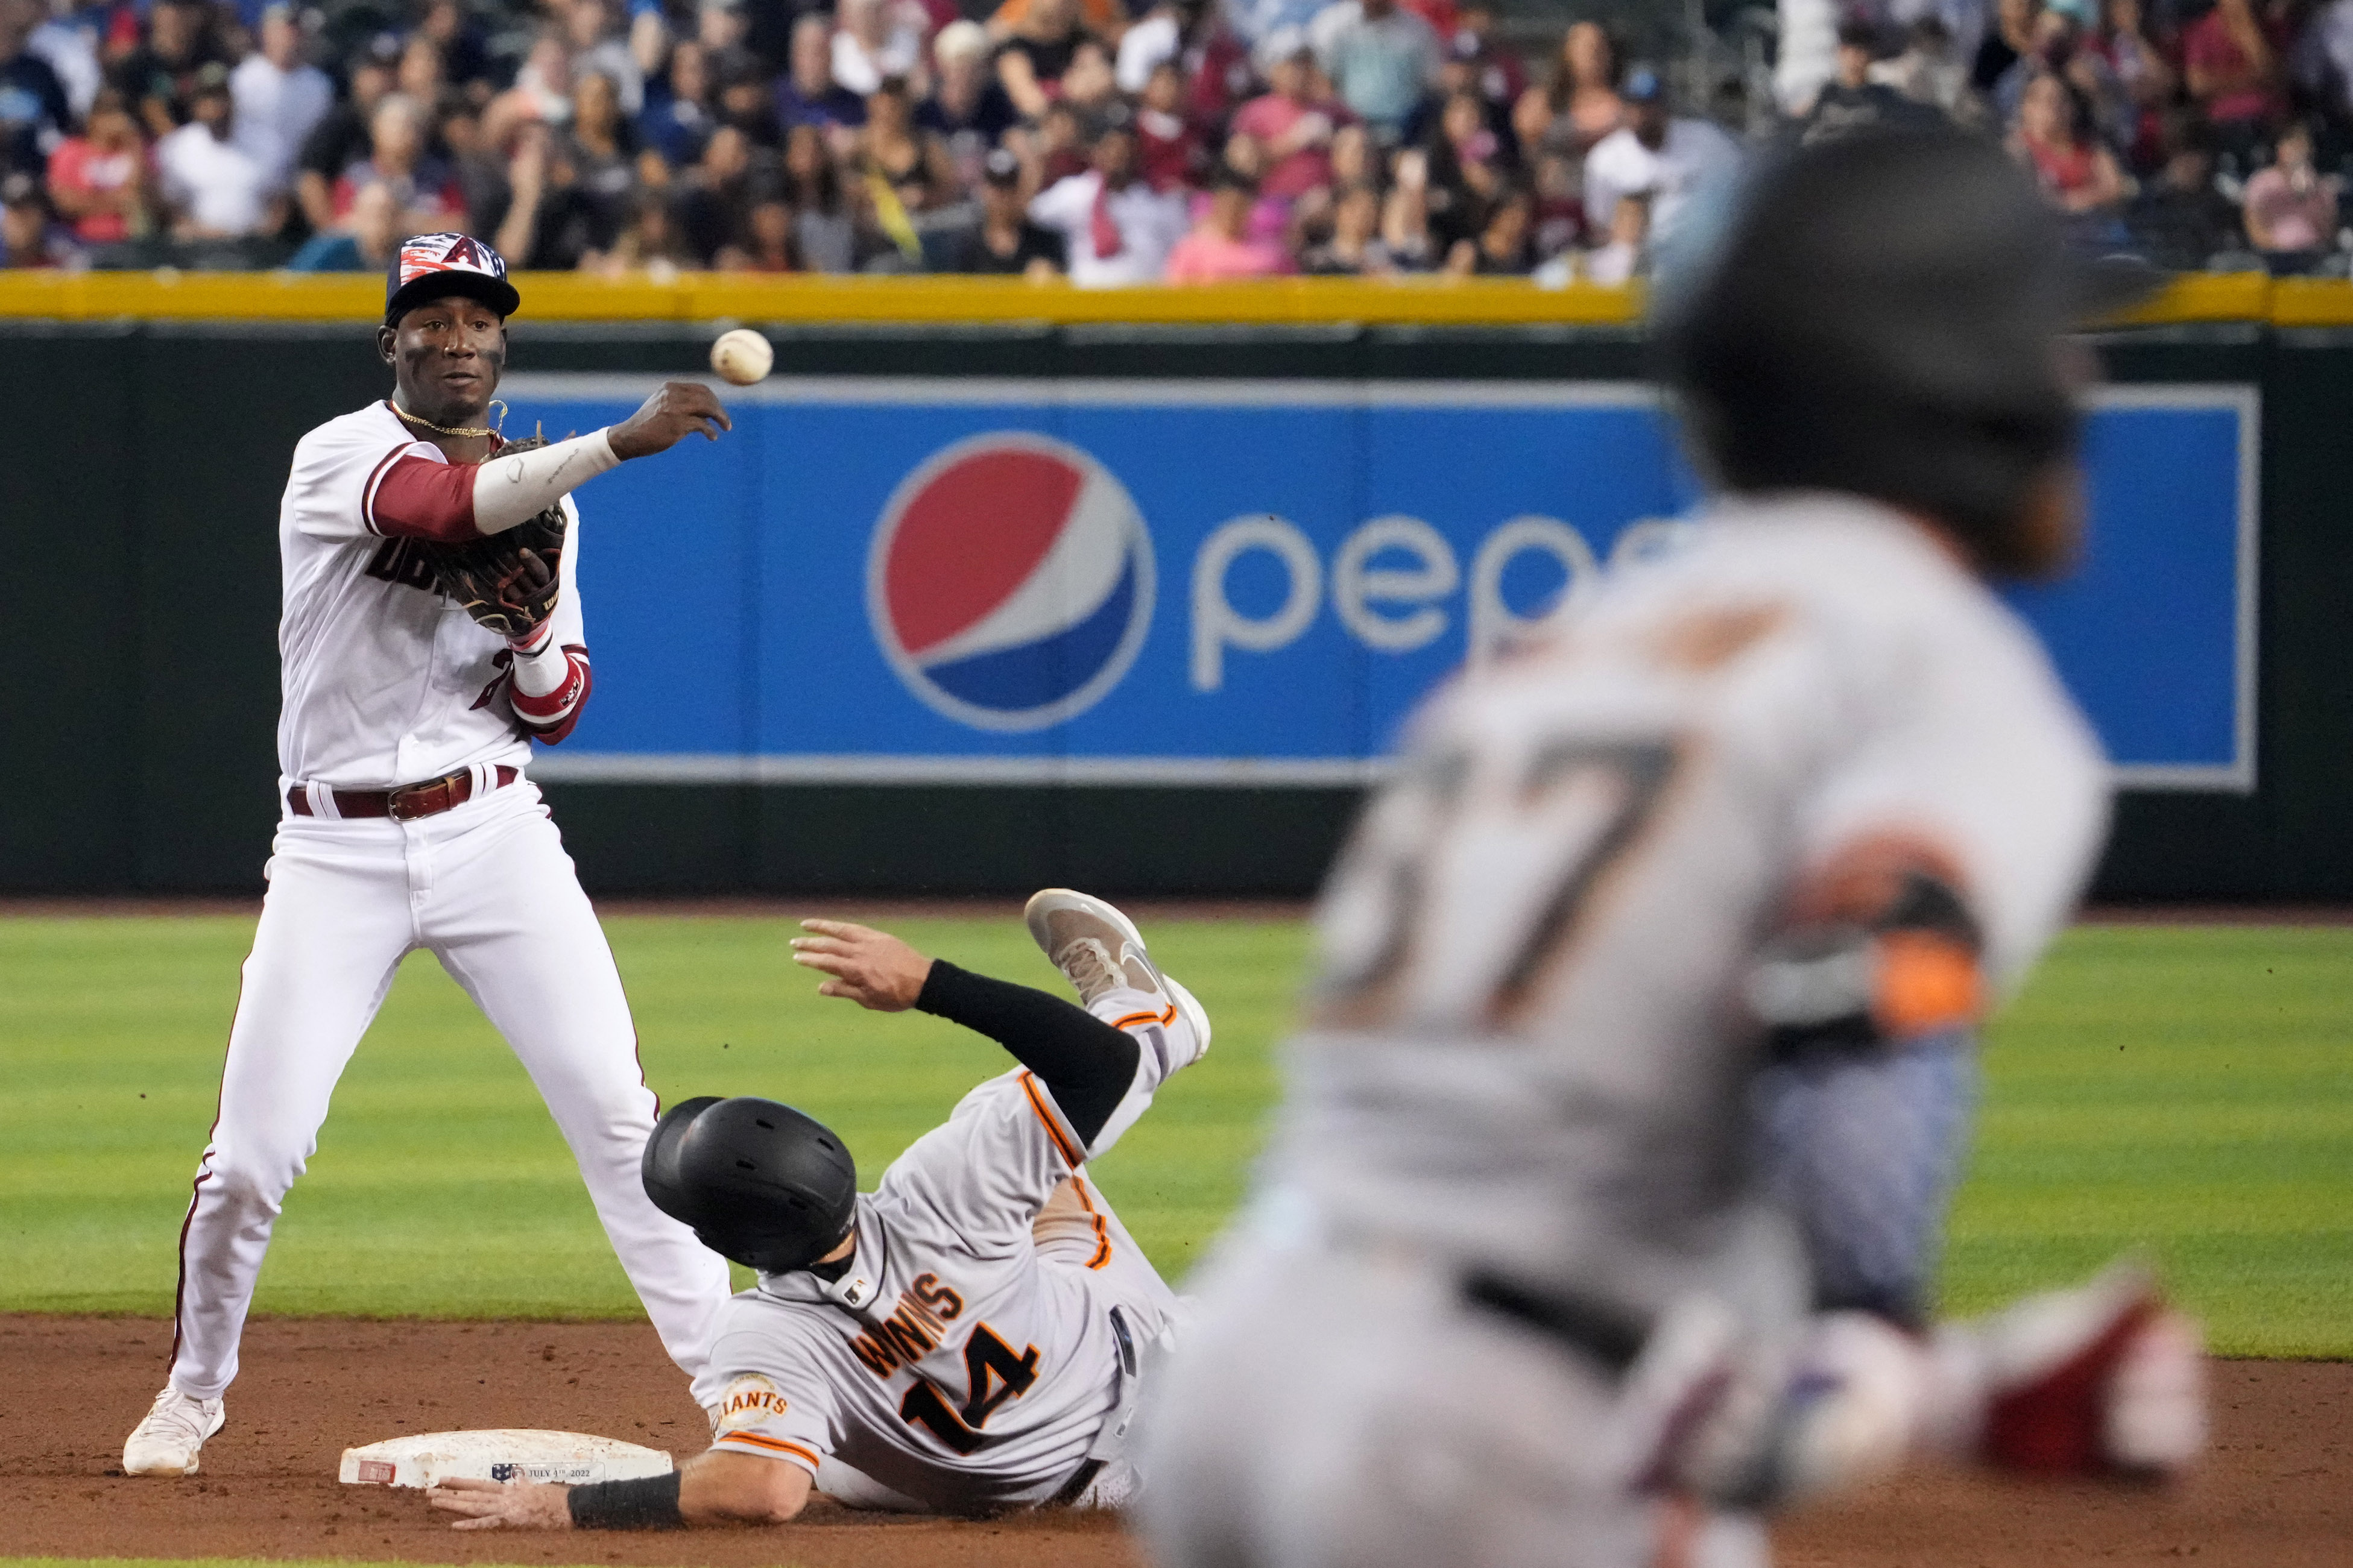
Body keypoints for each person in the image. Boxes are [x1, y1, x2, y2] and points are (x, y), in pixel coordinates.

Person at [1137, 128, 2206, 1568]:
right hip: (1498, 1434)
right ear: (1953, 382)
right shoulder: (1925, 654)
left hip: (1241, 1361)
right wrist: (1875, 1330)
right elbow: (1849, 979)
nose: (2075, 381)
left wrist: (1938, 1391)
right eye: (2046, 341)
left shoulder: (1575, 640)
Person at [119, 234, 741, 1480]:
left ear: (503, 344)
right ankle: (192, 1392)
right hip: (331, 850)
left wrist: (522, 632)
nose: (454, 335)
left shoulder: (547, 499)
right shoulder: (339, 455)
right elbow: (445, 508)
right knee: (251, 1155)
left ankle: (742, 1390)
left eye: (476, 318)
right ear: (389, 343)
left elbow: (558, 703)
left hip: (492, 832)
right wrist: (620, 442)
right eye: (430, 318)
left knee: (622, 1120)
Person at [423, 890, 1211, 1528]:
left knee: (800, 1443)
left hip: (1050, 1495)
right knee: (1042, 1138)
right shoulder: (944, 1186)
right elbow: (1099, 1068)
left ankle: (790, 1421)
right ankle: (1152, 1013)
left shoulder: (764, 1336)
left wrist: (563, 1505)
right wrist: (930, 982)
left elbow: (759, 1491)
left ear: (727, 1240)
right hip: (1164, 1377)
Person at [1580, 65, 1740, 266]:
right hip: (1633, 257)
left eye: (1651, 106)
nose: (1644, 114)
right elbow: (1600, 220)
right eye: (1636, 106)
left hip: (1700, 254)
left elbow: (1739, 193)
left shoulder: (1707, 141)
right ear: (1624, 108)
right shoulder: (1605, 158)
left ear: (1664, 106)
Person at [1028, 105, 1191, 283]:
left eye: (1125, 148)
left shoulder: (1159, 199)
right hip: (1089, 302)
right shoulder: (1077, 192)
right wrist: (1042, 159)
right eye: (1111, 148)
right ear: (1096, 151)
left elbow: (1181, 249)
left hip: (1146, 301)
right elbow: (1029, 213)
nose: (1119, 156)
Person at [154, 65, 282, 240]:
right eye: (208, 98)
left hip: (252, 247)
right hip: (197, 247)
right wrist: (192, 228)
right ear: (196, 104)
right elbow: (169, 204)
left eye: (221, 97)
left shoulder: (266, 142)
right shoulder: (178, 147)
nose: (215, 106)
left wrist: (265, 234)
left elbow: (281, 198)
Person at [1233, 30, 1351, 202]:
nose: (1299, 71)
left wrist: (1336, 143)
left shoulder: (1335, 110)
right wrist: (1295, 140)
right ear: (1273, 70)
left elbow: (1357, 157)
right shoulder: (1254, 113)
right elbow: (1244, 166)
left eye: (1305, 63)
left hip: (1326, 204)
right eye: (1291, 64)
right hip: (1272, 205)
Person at [230, 5, 332, 189]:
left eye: (295, 32)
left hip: (302, 181)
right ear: (265, 34)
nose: (288, 38)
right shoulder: (243, 80)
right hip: (254, 177)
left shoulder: (319, 85)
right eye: (281, 31)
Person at [1310, 0, 1441, 142]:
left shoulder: (1418, 31)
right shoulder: (1333, 25)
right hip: (1350, 129)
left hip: (1406, 130)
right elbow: (1320, 81)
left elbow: (1433, 83)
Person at [1805, 17, 1947, 141]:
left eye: (1863, 52)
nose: (1857, 59)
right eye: (1852, 52)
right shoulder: (1828, 94)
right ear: (1841, 53)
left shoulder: (1883, 96)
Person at [935, 143, 1066, 272]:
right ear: (984, 190)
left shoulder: (1043, 243)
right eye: (996, 186)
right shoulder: (965, 244)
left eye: (1008, 187)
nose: (1002, 195)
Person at [45, 84, 147, 245]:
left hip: (128, 242)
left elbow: (140, 197)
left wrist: (133, 143)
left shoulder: (131, 150)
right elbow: (66, 203)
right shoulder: (70, 151)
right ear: (93, 117)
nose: (117, 118)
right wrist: (117, 202)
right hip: (80, 241)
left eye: (121, 111)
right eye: (107, 112)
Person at [1513, 19, 1623, 159]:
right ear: (1567, 52)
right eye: (1584, 47)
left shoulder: (1622, 102)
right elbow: (1527, 126)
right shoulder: (1544, 98)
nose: (1592, 54)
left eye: (1598, 47)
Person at [2241, 118, 2339, 268]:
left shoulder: (2320, 186)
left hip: (2313, 256)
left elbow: (2328, 230)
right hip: (2273, 257)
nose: (2298, 151)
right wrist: (2278, 247)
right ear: (2279, 149)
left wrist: (2311, 195)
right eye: (2292, 144)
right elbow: (2253, 224)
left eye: (2302, 145)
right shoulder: (2261, 182)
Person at [1166, 165, 1290, 278]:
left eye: (1239, 206)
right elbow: (1175, 294)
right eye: (1227, 205)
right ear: (1215, 206)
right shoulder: (1191, 250)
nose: (1232, 212)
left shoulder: (1272, 250)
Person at [285, 177, 402, 269]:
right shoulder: (330, 250)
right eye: (373, 212)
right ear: (356, 216)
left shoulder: (407, 257)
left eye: (388, 212)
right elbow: (290, 284)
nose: (381, 220)